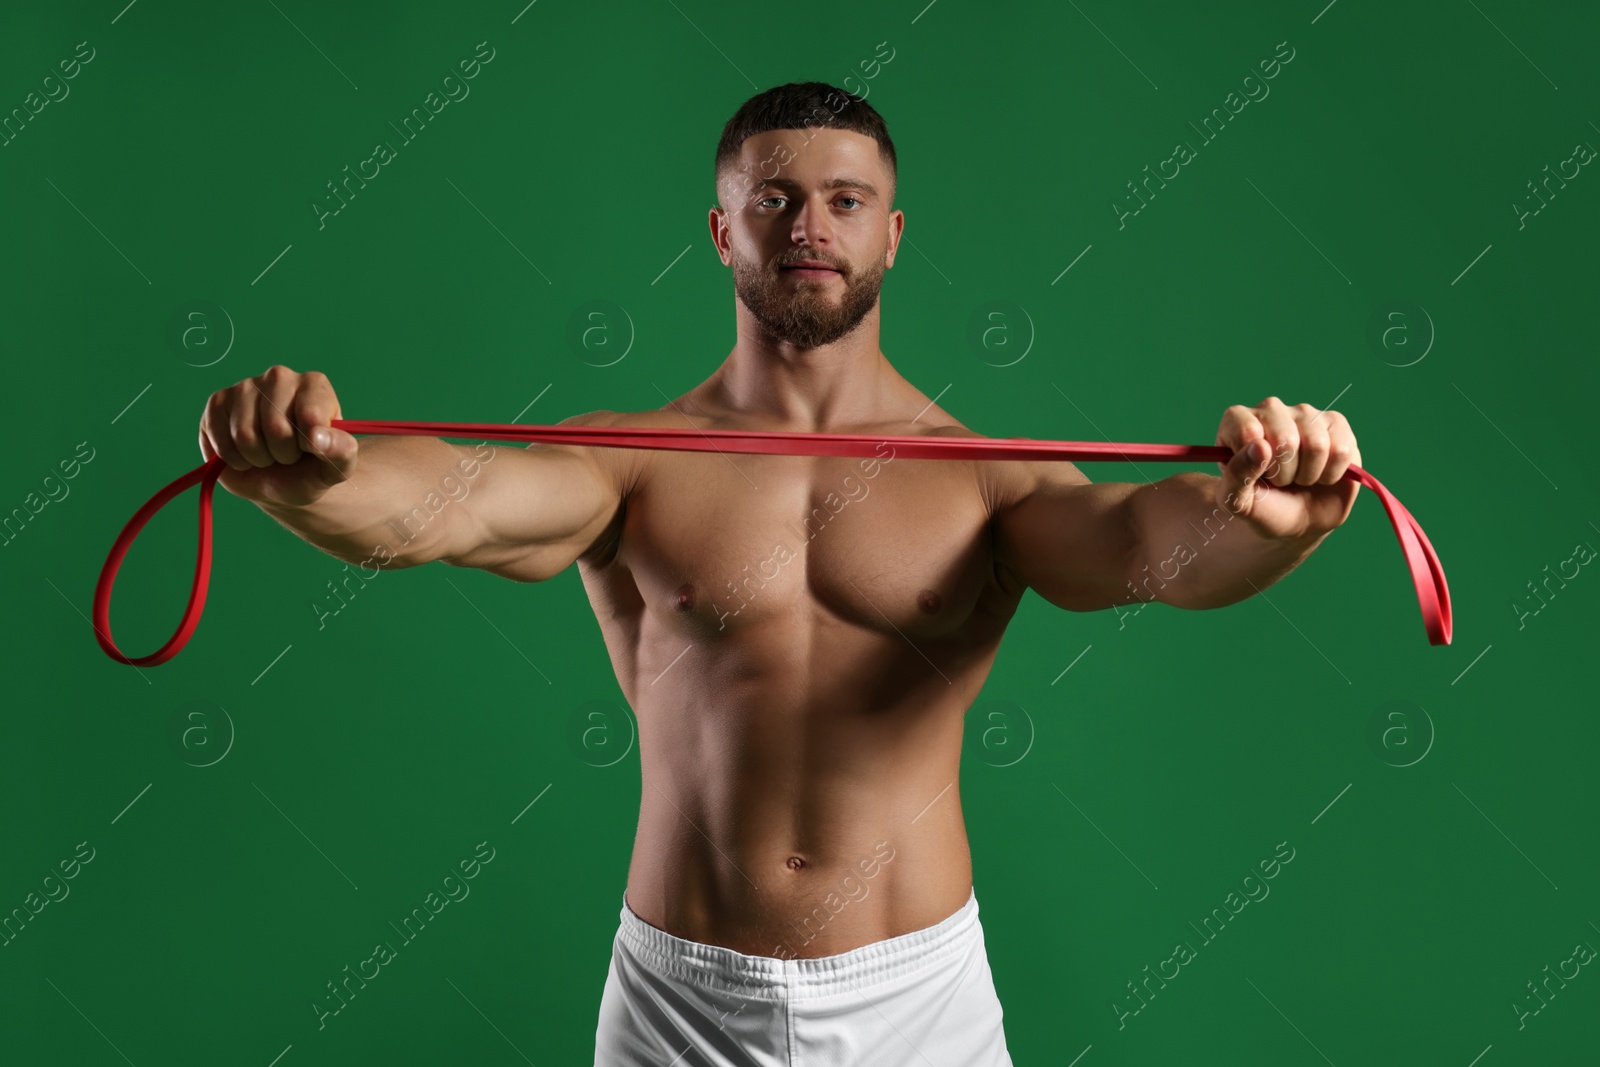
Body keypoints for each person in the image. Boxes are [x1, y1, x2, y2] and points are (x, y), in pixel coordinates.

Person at [197, 82, 1361, 1066]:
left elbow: (1144, 549)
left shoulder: (986, 478)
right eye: (775, 197)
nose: (811, 224)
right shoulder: (626, 459)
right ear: (722, 231)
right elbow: (455, 504)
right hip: (677, 1003)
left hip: (921, 1000)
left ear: (892, 233)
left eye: (845, 200)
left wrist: (1270, 516)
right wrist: (311, 472)